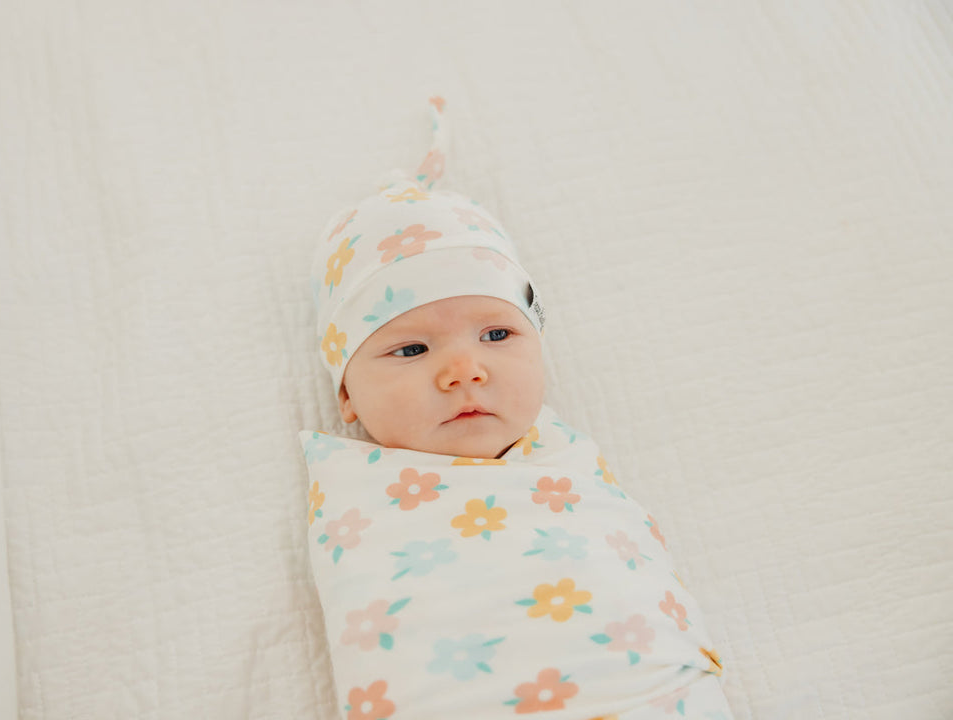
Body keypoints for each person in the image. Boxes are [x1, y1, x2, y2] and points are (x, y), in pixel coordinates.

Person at [300, 98, 734, 720]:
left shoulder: (568, 463)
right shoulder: (359, 494)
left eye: (498, 336)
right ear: (345, 391)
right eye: (412, 348)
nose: (465, 370)